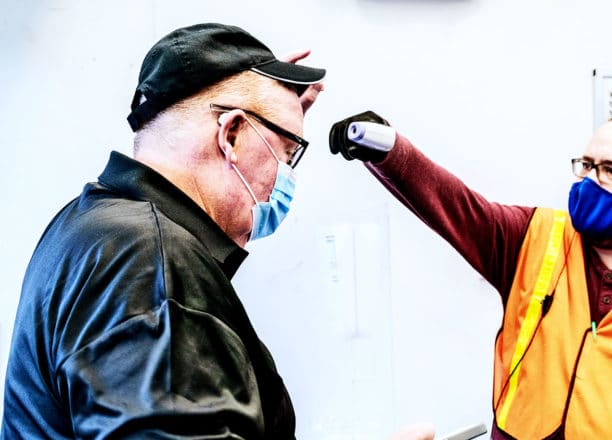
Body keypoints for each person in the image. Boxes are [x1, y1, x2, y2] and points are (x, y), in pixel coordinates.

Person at [1, 23, 433, 440]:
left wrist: (268, 106)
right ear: (231, 134)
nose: (285, 176)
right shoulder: (153, 264)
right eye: (287, 152)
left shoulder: (90, 228)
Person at [328, 111, 612, 439]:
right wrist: (388, 149)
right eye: (586, 165)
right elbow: (453, 204)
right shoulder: (532, 239)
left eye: (611, 170)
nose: (590, 182)